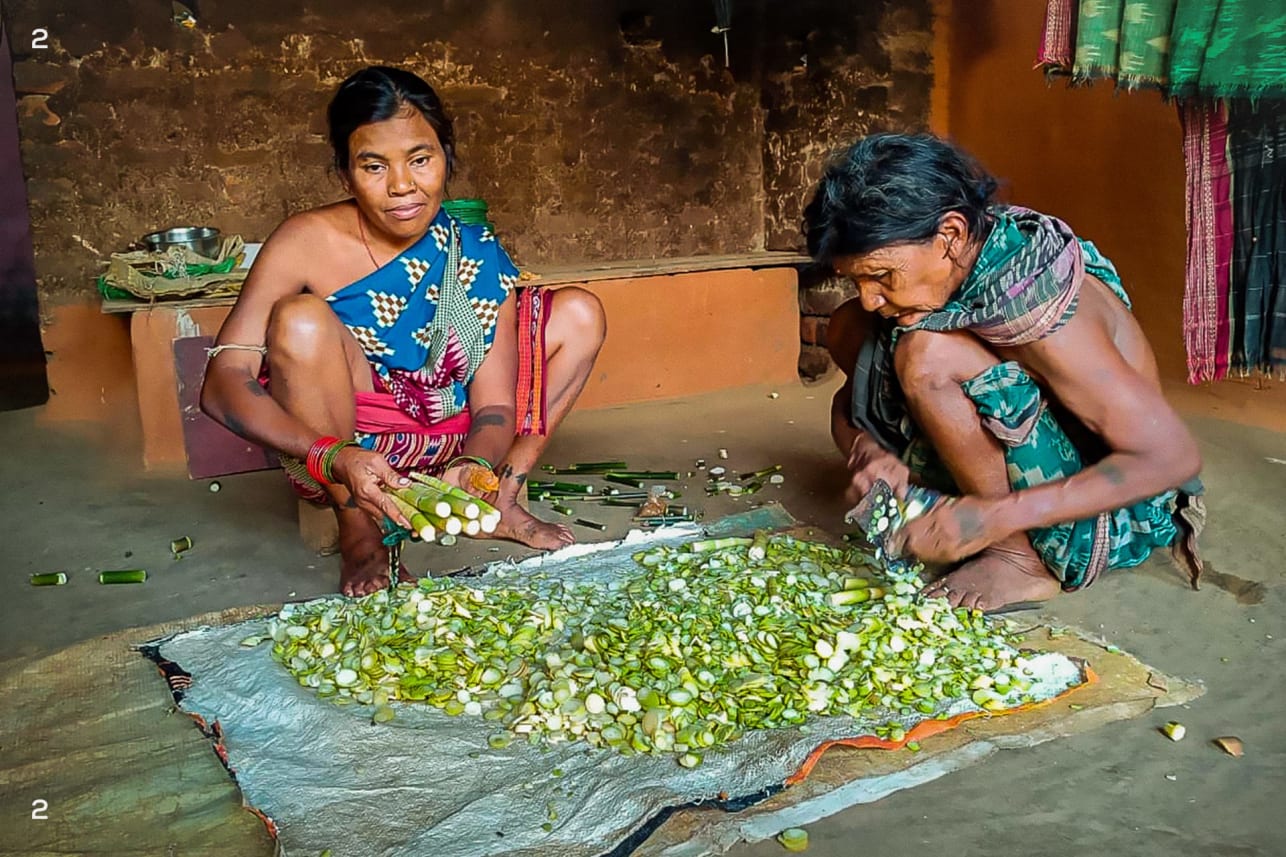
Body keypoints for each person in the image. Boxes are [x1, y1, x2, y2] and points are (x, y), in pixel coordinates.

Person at [201, 66, 606, 597]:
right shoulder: (305, 240)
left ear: (446, 158)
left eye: (420, 159)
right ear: (345, 173)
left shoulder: (472, 250)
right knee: (299, 319)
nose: (401, 186)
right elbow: (220, 382)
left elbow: (494, 408)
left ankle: (500, 496)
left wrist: (477, 464)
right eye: (374, 166)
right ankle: (362, 535)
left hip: (454, 439)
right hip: (350, 453)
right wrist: (333, 455)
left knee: (580, 312)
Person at [804, 133, 1205, 613]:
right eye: (858, 278)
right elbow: (844, 407)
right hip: (1015, 476)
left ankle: (1018, 560)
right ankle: (979, 511)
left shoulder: (1041, 313)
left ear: (950, 235)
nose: (872, 295)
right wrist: (865, 453)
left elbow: (1170, 458)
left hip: (1108, 512)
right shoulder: (951, 273)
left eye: (883, 276)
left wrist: (995, 518)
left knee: (927, 355)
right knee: (850, 324)